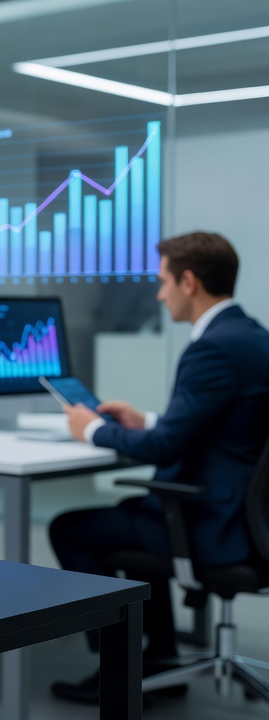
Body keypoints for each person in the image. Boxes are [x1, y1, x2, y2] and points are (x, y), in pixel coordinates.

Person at [49, 232, 269, 704]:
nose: (158, 293)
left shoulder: (211, 348)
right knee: (134, 515)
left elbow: (167, 445)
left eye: (163, 280)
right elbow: (216, 426)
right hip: (246, 520)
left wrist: (90, 429)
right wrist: (142, 419)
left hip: (212, 523)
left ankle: (121, 671)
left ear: (188, 282)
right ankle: (157, 656)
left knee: (72, 530)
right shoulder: (250, 336)